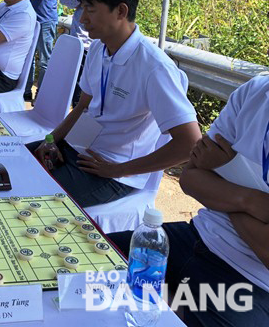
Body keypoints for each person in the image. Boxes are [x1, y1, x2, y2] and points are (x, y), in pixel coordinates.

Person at [32, 0, 201, 207]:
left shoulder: (154, 67)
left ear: (121, 11)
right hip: (78, 150)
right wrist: (51, 140)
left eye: (90, 9)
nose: (82, 17)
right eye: (81, 7)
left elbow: (190, 143)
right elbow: (82, 108)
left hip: (112, 172)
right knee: (16, 162)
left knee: (31, 195)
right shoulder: (99, 48)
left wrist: (116, 170)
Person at [110, 75, 269, 326]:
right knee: (83, 265)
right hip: (194, 238)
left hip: (251, 284)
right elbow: (191, 178)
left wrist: (223, 175)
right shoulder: (256, 91)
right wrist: (250, 200)